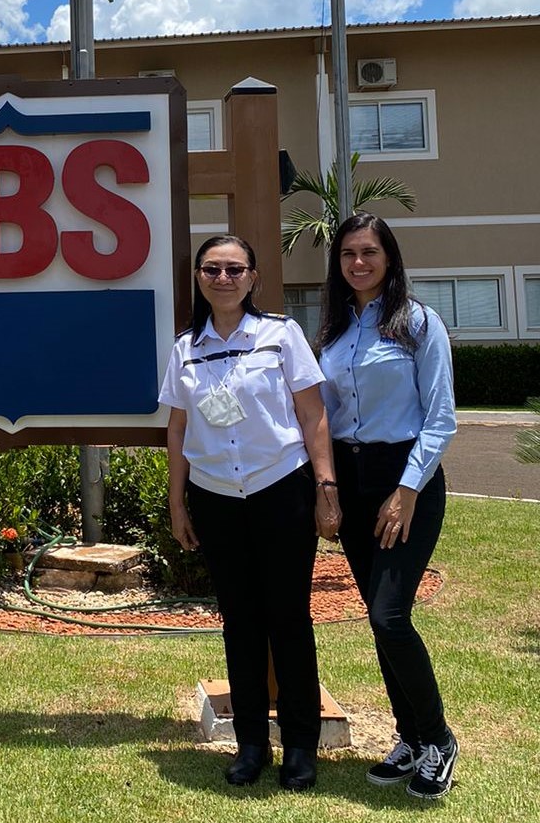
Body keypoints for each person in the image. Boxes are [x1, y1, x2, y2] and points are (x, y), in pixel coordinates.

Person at [161, 235, 340, 790]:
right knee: (239, 623)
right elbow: (178, 427)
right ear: (198, 278)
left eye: (234, 268)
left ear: (253, 277)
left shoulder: (281, 335)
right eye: (212, 269)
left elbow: (312, 415)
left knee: (289, 619)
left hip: (279, 490)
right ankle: (251, 745)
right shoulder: (185, 347)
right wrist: (177, 502)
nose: (223, 277)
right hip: (216, 498)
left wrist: (325, 485)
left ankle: (301, 746)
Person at [318, 213, 459, 800]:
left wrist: (406, 490)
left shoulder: (419, 324)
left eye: (369, 251)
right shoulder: (332, 331)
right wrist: (326, 488)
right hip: (351, 482)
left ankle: (438, 739)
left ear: (389, 257)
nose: (358, 262)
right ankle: (411, 737)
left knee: (389, 615)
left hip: (406, 481)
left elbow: (441, 417)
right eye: (349, 253)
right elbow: (320, 414)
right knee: (380, 619)